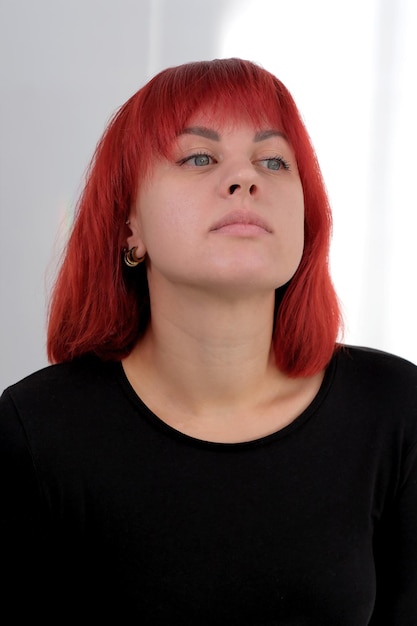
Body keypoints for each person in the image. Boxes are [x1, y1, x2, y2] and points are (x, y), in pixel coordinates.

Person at [1, 58, 416, 625]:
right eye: (199, 156)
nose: (246, 179)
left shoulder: (395, 410)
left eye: (274, 161)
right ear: (130, 227)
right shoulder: (34, 431)